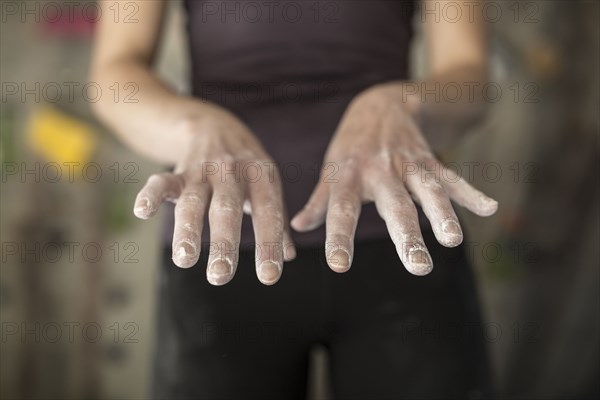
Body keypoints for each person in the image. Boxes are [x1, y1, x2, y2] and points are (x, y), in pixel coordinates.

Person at [91, 1, 498, 398]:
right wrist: (194, 128)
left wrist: (405, 106)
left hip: (398, 234)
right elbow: (116, 73)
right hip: (223, 241)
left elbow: (469, 76)